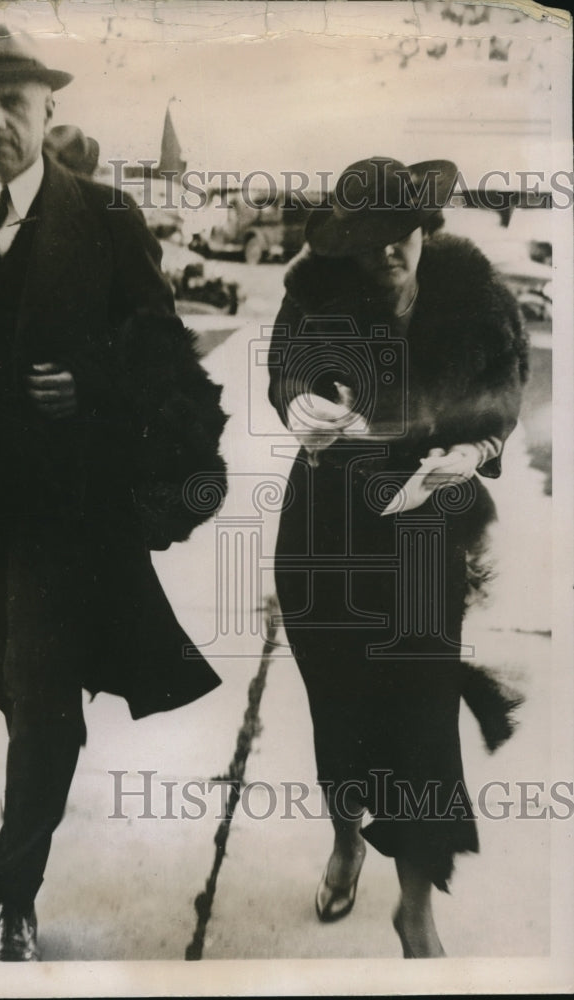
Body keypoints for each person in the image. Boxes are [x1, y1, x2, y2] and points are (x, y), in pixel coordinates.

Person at [0, 24, 226, 961]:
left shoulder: (105, 221)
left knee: (42, 698)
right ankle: (33, 792)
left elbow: (164, 367)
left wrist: (92, 389)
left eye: (12, 104)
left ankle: (12, 894)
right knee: (18, 686)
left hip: (66, 517)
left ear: (47, 108)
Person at [268, 157, 528, 958]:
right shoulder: (314, 297)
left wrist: (476, 448)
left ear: (425, 229)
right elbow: (286, 377)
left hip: (422, 534)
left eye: (400, 235)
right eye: (369, 239)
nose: (387, 252)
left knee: (420, 719)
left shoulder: (477, 303)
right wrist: (300, 407)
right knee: (338, 706)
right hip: (325, 528)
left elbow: (503, 397)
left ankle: (415, 905)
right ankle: (346, 840)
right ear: (346, 243)